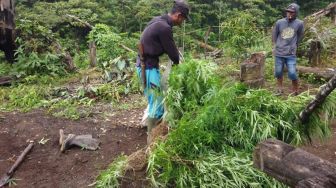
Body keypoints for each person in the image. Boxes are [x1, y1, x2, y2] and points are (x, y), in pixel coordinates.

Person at [136, 0, 190, 142]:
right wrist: (181, 67)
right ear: (178, 15)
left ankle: (150, 128)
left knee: (153, 99)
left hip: (143, 66)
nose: (182, 22)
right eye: (183, 19)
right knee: (158, 103)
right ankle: (152, 140)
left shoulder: (158, 20)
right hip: (148, 68)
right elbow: (173, 54)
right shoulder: (164, 28)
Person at [272, 3, 304, 95]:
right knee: (278, 72)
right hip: (279, 52)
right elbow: (274, 35)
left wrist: (293, 46)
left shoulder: (299, 23)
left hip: (290, 53)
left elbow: (300, 37)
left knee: (292, 73)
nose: (289, 13)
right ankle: (279, 89)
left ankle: (295, 90)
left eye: (292, 12)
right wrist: (276, 46)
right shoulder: (279, 22)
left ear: (296, 13)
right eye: (288, 12)